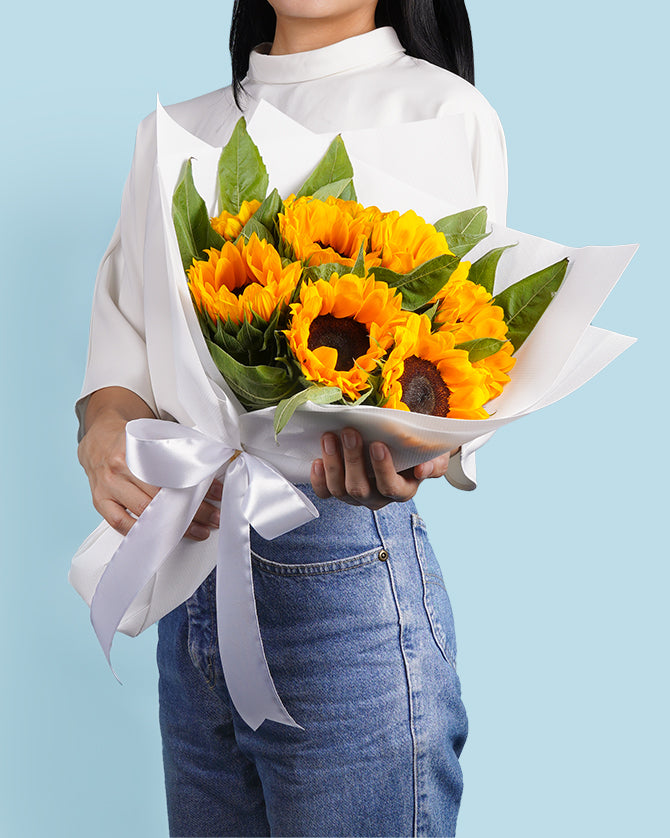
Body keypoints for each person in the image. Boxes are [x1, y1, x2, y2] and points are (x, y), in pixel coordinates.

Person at [76, 1, 508, 835]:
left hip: (344, 596)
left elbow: (461, 355)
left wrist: (408, 456)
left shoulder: (442, 112)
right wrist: (103, 437)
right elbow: (118, 365)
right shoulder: (172, 132)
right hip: (189, 582)